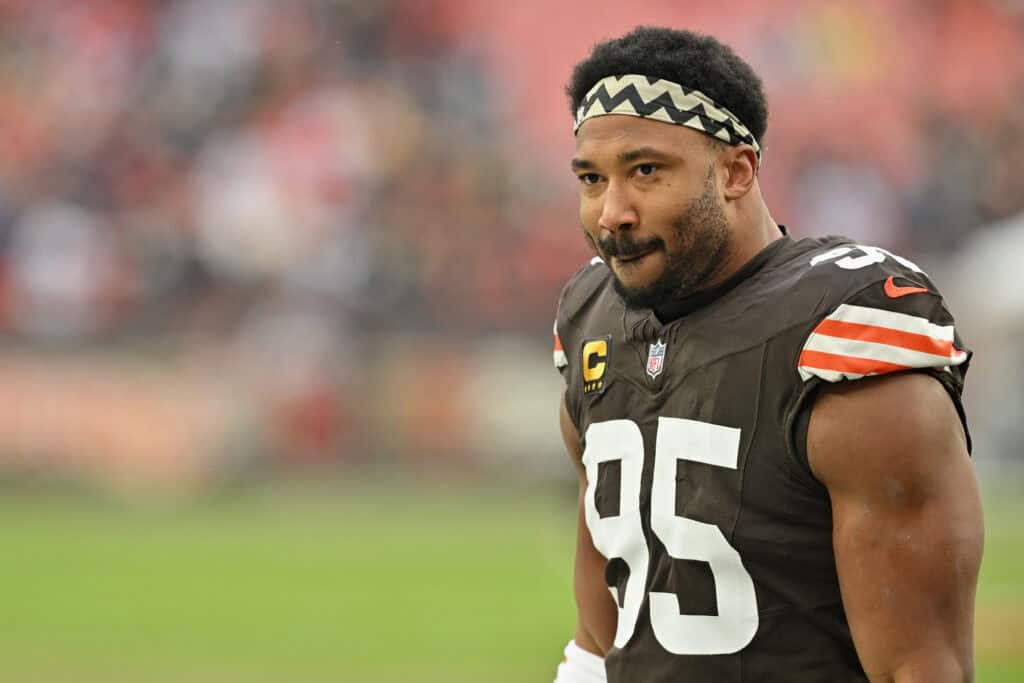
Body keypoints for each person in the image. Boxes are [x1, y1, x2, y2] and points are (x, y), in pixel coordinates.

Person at [551, 27, 983, 683]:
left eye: (646, 170)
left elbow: (919, 666)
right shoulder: (593, 317)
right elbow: (599, 638)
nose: (612, 213)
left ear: (735, 170)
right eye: (591, 177)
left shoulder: (840, 334)